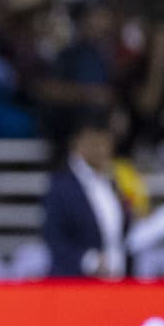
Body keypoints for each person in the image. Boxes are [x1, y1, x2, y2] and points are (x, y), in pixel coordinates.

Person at [42, 111, 130, 280]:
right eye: (96, 142)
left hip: (116, 281)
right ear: (78, 143)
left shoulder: (111, 181)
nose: (102, 149)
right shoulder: (60, 186)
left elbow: (116, 230)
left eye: (106, 142)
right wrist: (91, 262)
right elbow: (54, 240)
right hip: (77, 285)